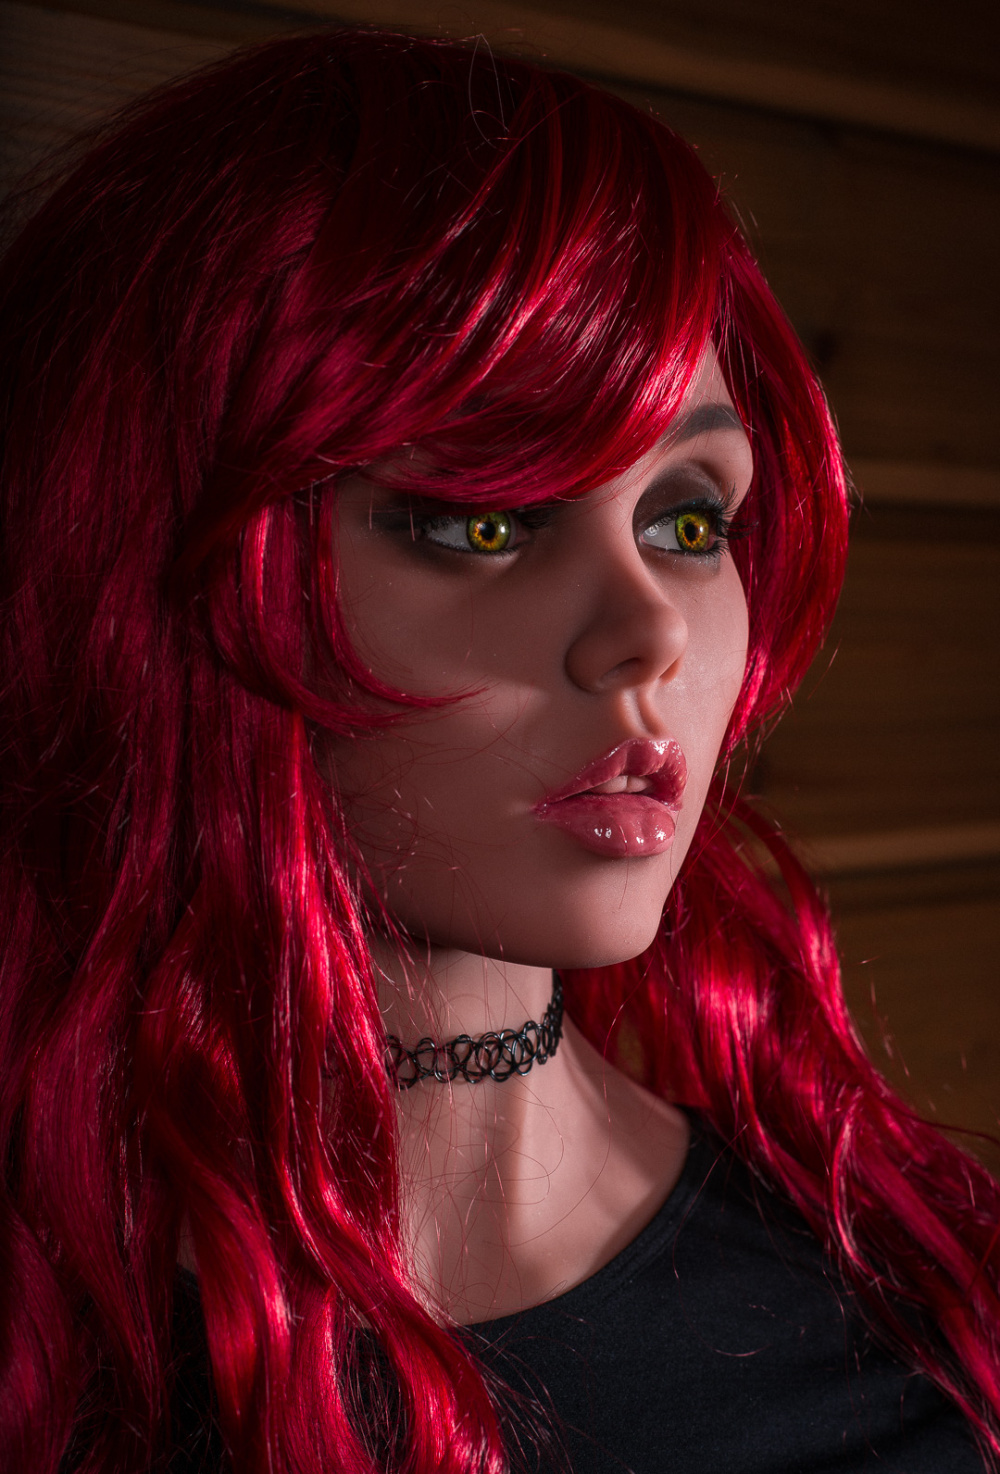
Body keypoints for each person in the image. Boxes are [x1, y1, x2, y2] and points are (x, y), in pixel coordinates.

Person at [0, 26, 997, 1474]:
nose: (649, 633)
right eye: (486, 519)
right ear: (156, 569)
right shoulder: (62, 1352)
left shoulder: (906, 1308)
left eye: (688, 518)